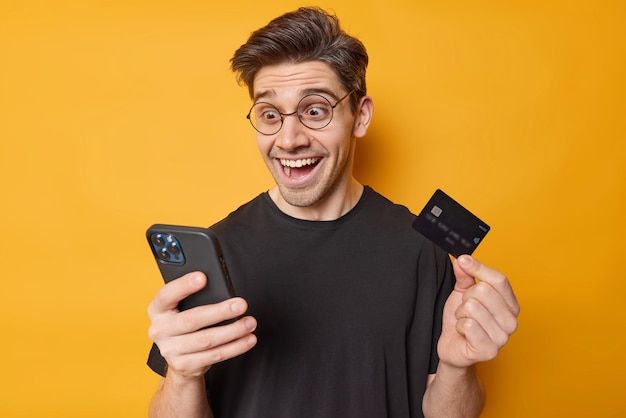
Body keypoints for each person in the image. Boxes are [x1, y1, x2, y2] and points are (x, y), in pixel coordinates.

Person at [146, 6, 519, 418]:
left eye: (315, 110)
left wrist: (456, 365)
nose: (288, 140)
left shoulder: (421, 250)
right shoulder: (217, 254)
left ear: (360, 116)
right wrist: (181, 376)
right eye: (270, 115)